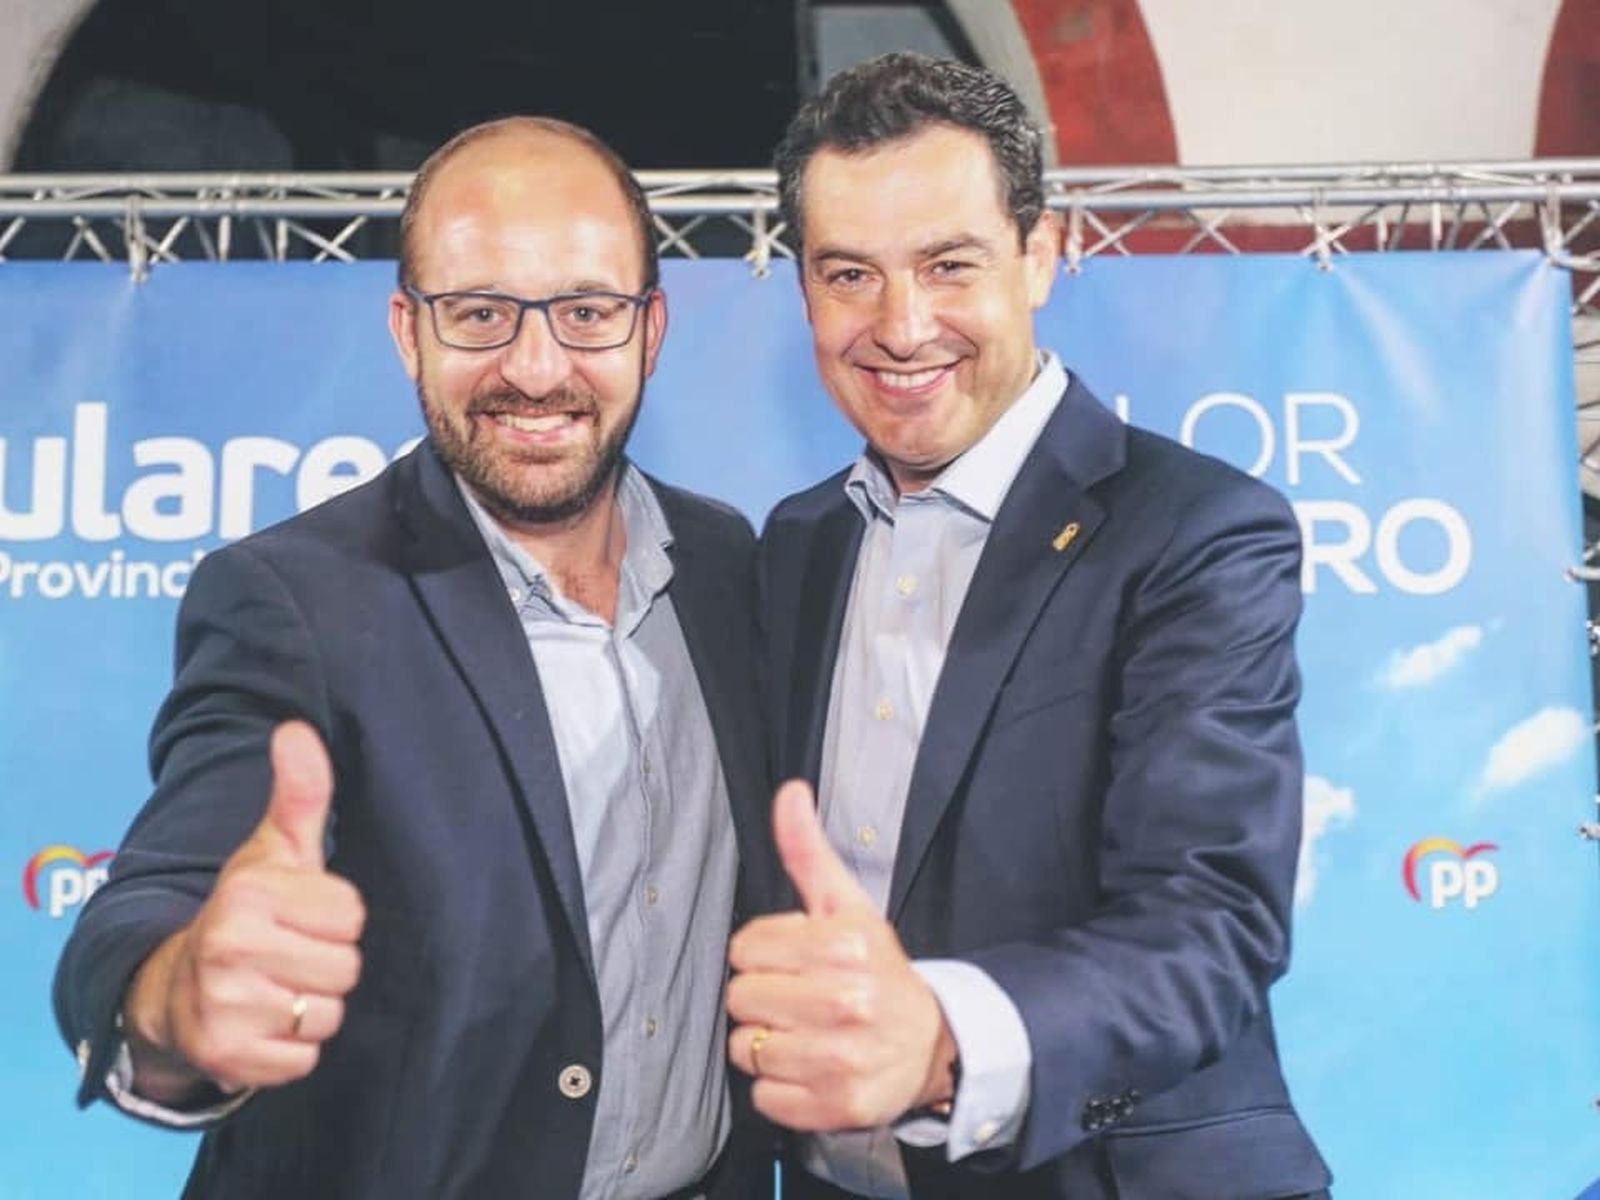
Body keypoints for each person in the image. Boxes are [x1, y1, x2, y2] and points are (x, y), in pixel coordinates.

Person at [54, 116, 775, 1199]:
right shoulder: (294, 599)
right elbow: (163, 890)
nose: (536, 370)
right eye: (480, 313)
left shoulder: (727, 565)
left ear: (650, 329)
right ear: (408, 331)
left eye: (586, 312)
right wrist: (178, 999)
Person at [728, 53, 1331, 1199]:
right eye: (848, 274)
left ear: (1040, 256)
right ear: (801, 287)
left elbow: (1209, 925)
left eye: (947, 266)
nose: (901, 328)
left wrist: (943, 1038)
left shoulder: (1196, 532)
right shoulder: (796, 545)